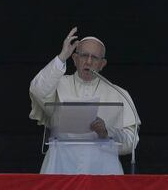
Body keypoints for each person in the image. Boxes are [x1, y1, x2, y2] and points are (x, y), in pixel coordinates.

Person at [29, 27, 141, 174]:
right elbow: (38, 90)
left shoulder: (119, 93)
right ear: (75, 59)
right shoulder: (57, 83)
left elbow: (131, 141)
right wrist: (62, 56)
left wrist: (107, 132)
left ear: (102, 64)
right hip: (60, 166)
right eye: (83, 56)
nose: (88, 62)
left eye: (94, 58)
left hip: (102, 170)